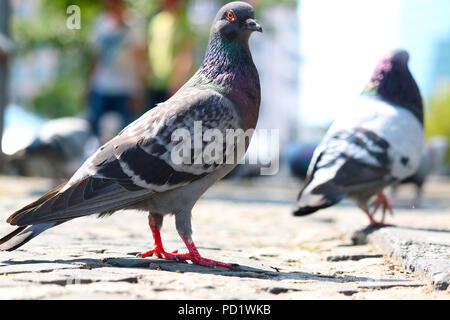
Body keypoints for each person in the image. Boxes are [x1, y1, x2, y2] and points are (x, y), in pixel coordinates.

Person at [87, 0, 148, 137]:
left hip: (125, 88)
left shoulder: (135, 22)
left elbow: (140, 58)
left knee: (126, 135)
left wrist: (138, 89)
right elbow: (96, 57)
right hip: (101, 86)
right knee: (95, 133)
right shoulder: (100, 22)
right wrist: (89, 86)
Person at [146, 0, 195, 110]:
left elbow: (186, 54)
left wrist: (177, 83)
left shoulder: (183, 22)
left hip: (174, 86)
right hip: (155, 82)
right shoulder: (157, 20)